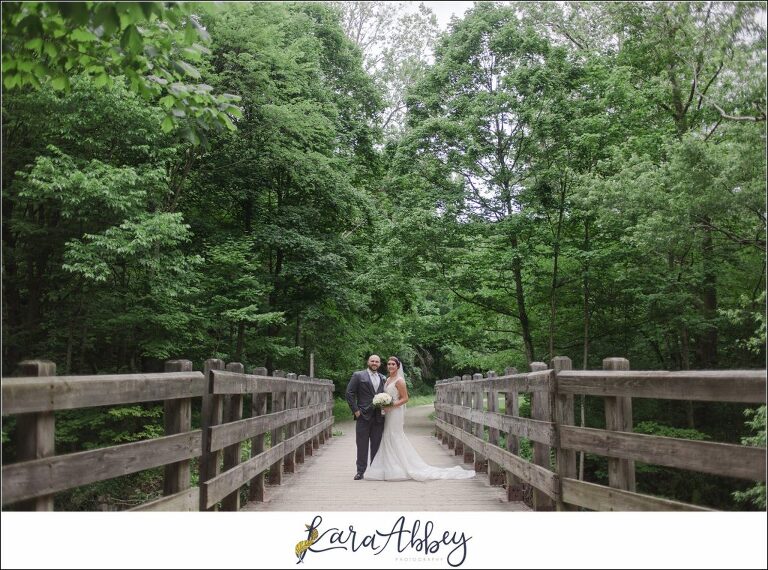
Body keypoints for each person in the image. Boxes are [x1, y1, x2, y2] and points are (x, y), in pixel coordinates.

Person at [365, 356, 476, 481]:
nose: (390, 366)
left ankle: (400, 467)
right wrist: (383, 404)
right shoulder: (388, 379)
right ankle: (390, 466)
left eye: (393, 364)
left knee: (394, 435)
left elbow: (405, 398)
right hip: (388, 412)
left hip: (395, 412)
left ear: (398, 366)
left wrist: (391, 405)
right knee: (387, 435)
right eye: (389, 364)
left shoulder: (400, 381)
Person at [345, 354, 386, 480]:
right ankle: (360, 471)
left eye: (377, 361)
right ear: (368, 362)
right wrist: (356, 411)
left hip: (379, 417)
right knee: (362, 445)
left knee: (376, 445)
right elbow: (349, 393)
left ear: (379, 364)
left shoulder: (383, 378)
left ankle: (374, 470)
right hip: (363, 415)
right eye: (372, 361)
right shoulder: (358, 375)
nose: (374, 363)